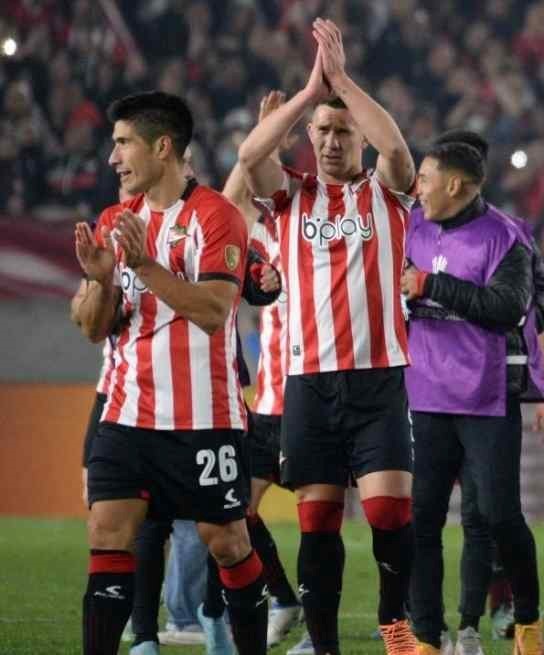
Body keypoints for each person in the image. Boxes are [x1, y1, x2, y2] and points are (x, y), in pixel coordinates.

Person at [237, 18, 419, 654]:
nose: (335, 141)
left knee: (390, 515)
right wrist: (308, 95)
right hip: (308, 384)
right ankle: (325, 645)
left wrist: (342, 82)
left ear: (358, 138)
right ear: (310, 138)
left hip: (378, 380)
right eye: (324, 132)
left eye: (344, 131)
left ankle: (394, 620)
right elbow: (248, 158)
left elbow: (396, 150)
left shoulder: (386, 193)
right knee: (316, 522)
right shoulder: (290, 198)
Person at [72, 90, 267, 655]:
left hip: (205, 418)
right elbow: (92, 328)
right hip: (128, 412)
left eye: (123, 143)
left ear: (163, 147)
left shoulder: (216, 216)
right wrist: (104, 281)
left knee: (228, 543)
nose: (113, 158)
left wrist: (144, 267)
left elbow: (213, 311)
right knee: (107, 533)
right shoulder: (115, 219)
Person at [402, 142, 544, 655]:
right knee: (421, 519)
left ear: (456, 185)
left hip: (486, 399)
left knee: (500, 517)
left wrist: (430, 284)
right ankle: (426, 635)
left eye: (425, 178)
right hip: (424, 395)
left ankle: (526, 621)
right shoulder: (411, 226)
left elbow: (508, 307)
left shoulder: (505, 236)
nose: (417, 187)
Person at [226, 91, 307, 652]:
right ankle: (285, 598)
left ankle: (384, 614)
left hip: (319, 395)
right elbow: (230, 199)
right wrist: (263, 138)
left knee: (323, 516)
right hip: (270, 398)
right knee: (236, 510)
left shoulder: (314, 222)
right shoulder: (253, 233)